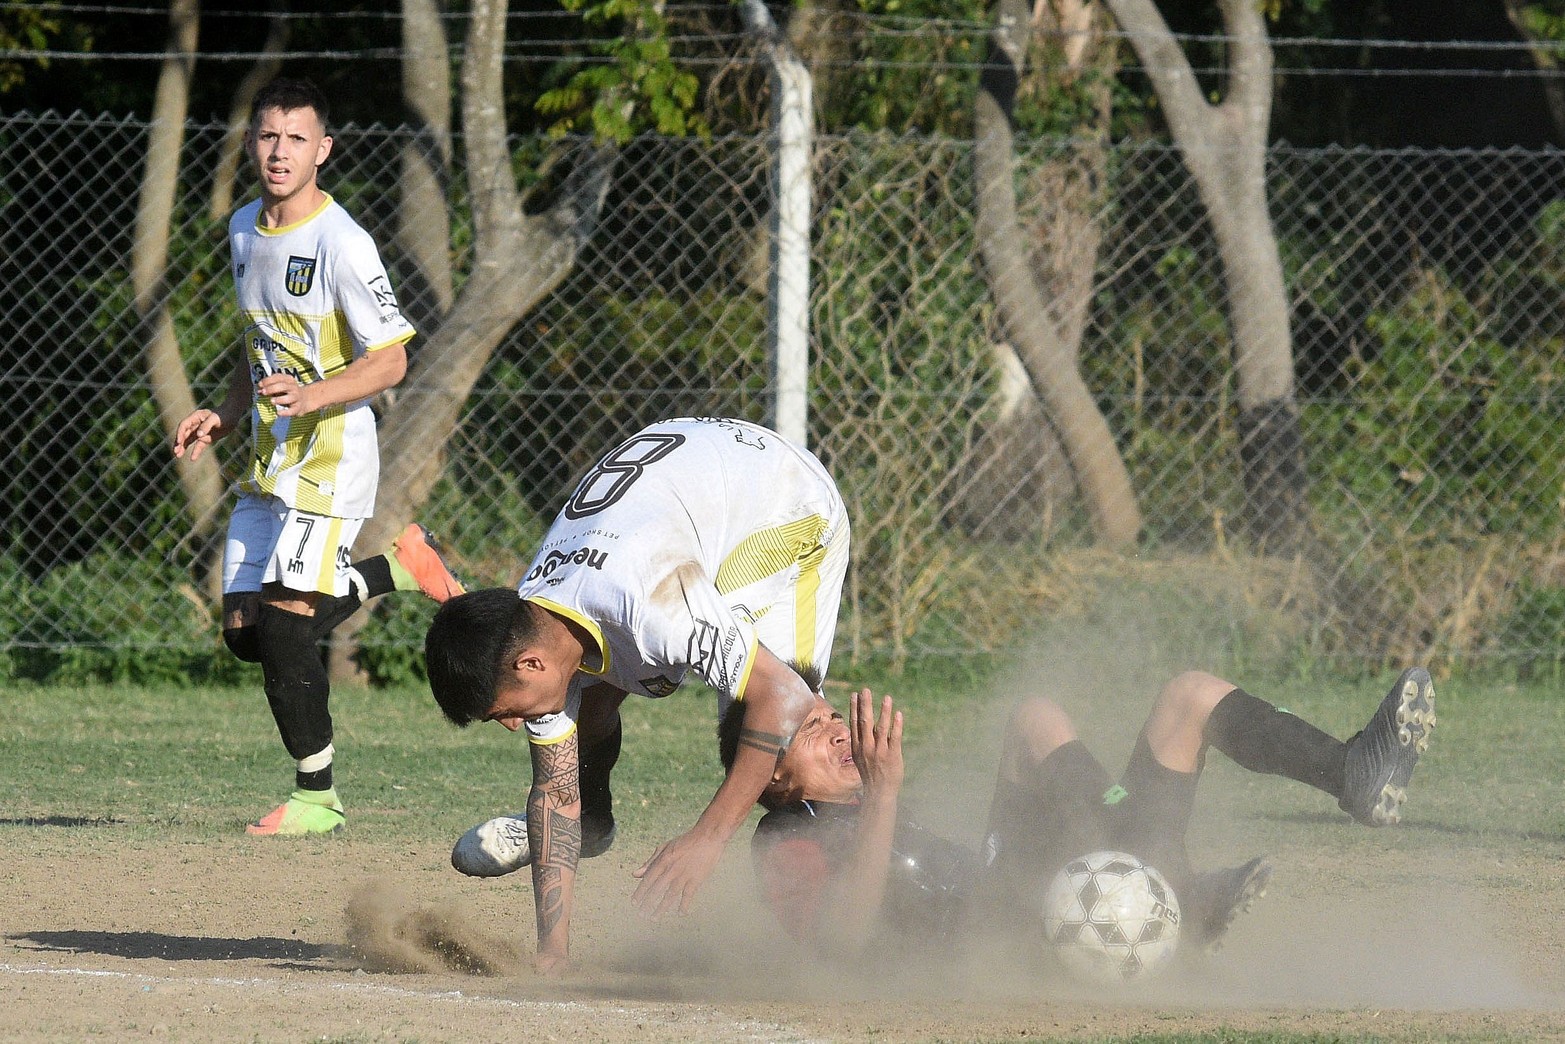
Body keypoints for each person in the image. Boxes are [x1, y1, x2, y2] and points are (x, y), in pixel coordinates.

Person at [424, 416, 849, 972]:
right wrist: (553, 954)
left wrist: (708, 838)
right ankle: (595, 824)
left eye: (504, 712)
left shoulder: (653, 606)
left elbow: (783, 696)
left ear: (530, 664)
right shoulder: (539, 621)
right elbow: (554, 792)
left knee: (790, 756)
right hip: (690, 505)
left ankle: (865, 922)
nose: (511, 725)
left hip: (784, 508)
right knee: (597, 696)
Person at [172, 77, 464, 837]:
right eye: (268, 136)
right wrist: (227, 411)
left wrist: (319, 395)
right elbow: (255, 341)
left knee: (285, 625)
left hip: (332, 453)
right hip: (271, 453)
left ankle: (317, 795)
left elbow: (393, 360)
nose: (279, 151)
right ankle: (395, 570)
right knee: (246, 633)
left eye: (296, 138)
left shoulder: (342, 242)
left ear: (322, 151)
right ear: (250, 144)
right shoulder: (242, 229)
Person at [724, 667, 1436, 961]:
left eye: (827, 715)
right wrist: (881, 797)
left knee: (1173, 697)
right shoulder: (785, 838)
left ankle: (1353, 773)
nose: (835, 730)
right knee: (1097, 734)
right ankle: (1177, 892)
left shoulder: (861, 794)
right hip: (1003, 936)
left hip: (1013, 884)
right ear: (770, 777)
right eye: (807, 732)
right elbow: (842, 941)